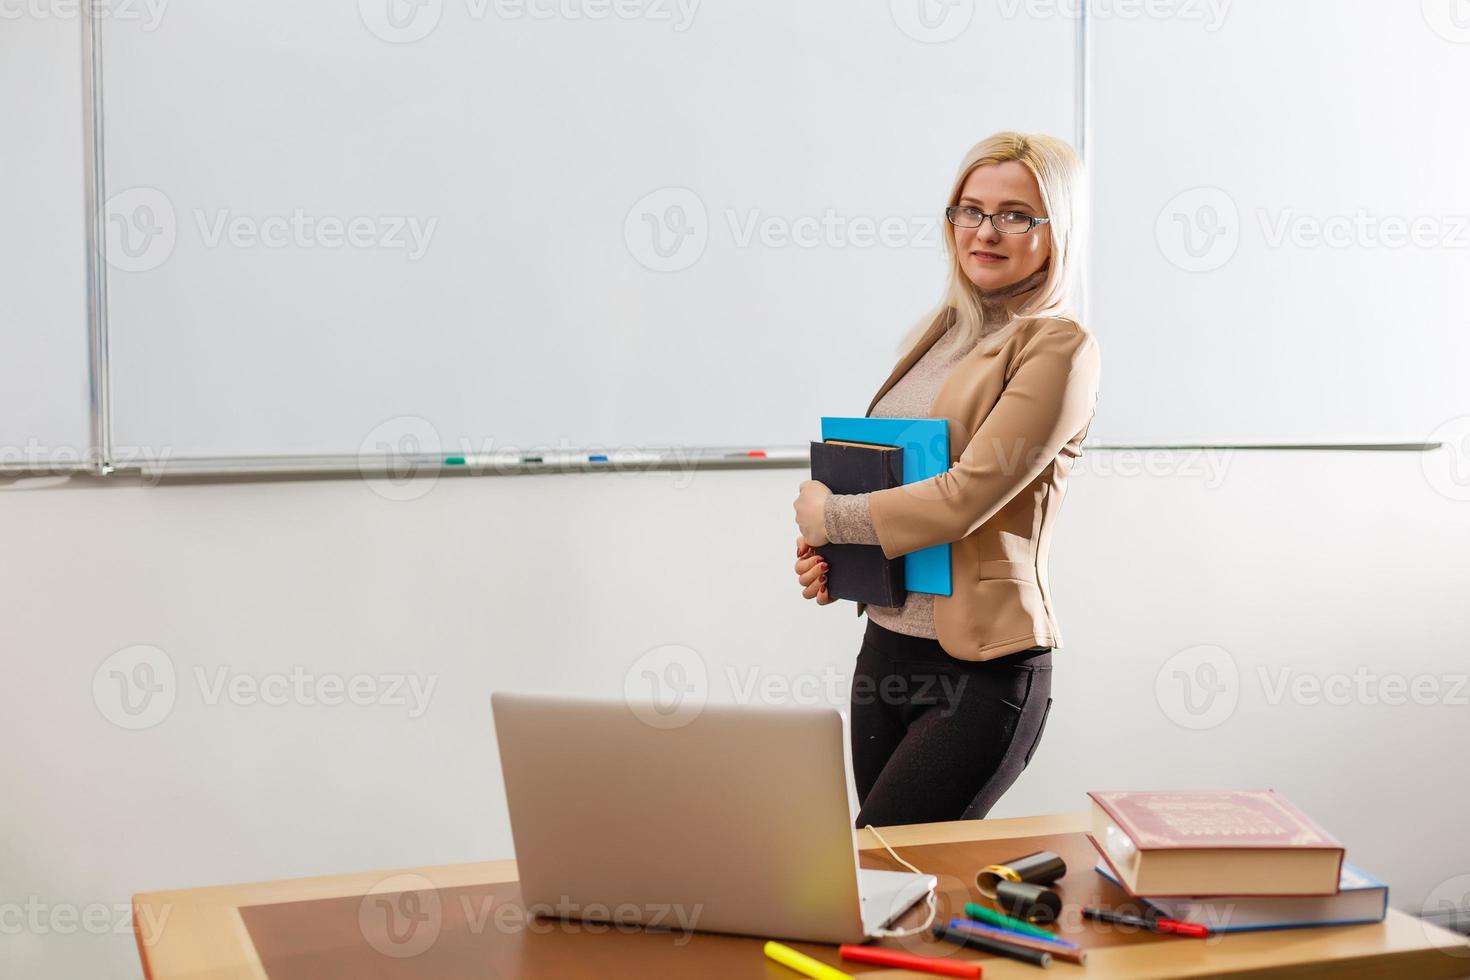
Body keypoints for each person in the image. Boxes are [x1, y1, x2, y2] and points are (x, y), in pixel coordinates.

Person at [791, 131, 1100, 828]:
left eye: (1016, 214)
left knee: (888, 855)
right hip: (886, 649)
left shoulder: (1060, 348)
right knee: (888, 878)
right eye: (971, 209)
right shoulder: (938, 335)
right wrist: (838, 561)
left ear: (1057, 232)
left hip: (982, 670)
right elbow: (896, 480)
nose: (986, 231)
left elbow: (967, 495)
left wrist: (829, 517)